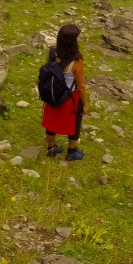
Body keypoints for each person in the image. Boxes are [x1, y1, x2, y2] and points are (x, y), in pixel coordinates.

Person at [42, 23, 89, 161]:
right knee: (75, 125)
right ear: (72, 41)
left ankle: (51, 149)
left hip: (53, 94)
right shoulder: (77, 62)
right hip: (70, 98)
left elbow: (50, 69)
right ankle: (72, 152)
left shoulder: (52, 53)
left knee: (51, 123)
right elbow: (81, 86)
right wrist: (85, 104)